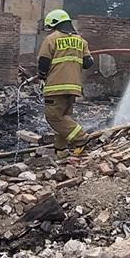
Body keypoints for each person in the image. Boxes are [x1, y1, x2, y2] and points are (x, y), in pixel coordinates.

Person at [37, 9, 94, 158]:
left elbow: (43, 62)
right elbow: (88, 63)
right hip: (73, 87)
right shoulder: (81, 41)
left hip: (56, 86)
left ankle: (81, 138)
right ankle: (61, 150)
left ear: (55, 24)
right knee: (64, 117)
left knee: (54, 117)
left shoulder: (51, 39)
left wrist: (41, 76)